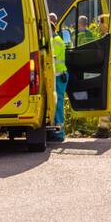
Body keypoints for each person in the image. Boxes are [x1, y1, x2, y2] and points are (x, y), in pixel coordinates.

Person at [50, 14, 68, 142]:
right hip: (58, 76)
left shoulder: (55, 41)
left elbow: (52, 59)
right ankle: (57, 131)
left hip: (58, 77)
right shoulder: (57, 39)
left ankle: (59, 133)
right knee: (56, 105)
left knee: (58, 106)